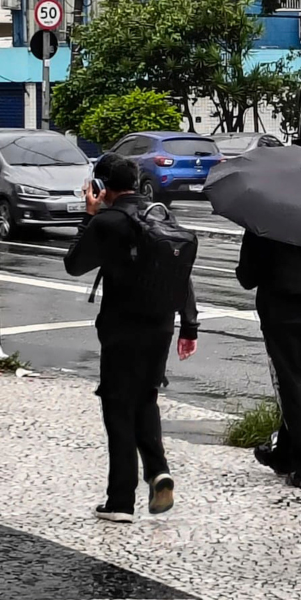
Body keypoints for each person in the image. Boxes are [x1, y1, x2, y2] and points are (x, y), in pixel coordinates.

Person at [64, 153, 199, 524]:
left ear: (102, 186)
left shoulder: (108, 221)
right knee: (146, 399)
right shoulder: (160, 216)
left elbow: (74, 264)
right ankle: (158, 471)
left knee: (117, 407)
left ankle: (120, 500)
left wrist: (88, 216)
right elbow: (181, 274)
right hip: (161, 325)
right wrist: (189, 326)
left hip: (122, 327)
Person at [236, 231, 301, 489]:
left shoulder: (262, 224)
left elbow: (248, 277)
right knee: (298, 384)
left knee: (288, 385)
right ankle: (283, 454)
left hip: (278, 311)